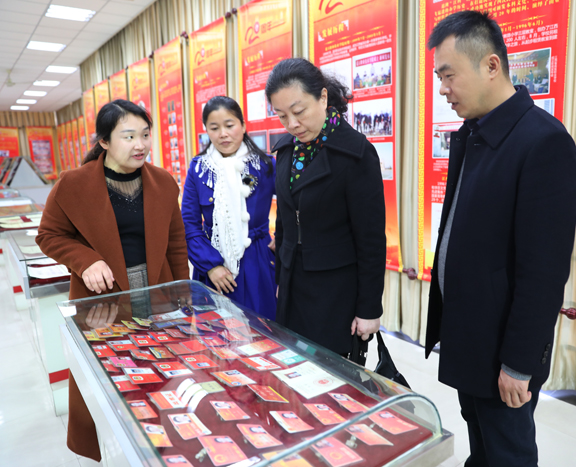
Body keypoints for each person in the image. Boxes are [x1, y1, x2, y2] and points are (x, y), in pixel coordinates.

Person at [424, 11, 576, 466]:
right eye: (438, 77)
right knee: (482, 445)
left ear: (491, 65)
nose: (443, 89)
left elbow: (544, 273)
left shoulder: (542, 142)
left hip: (501, 349)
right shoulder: (473, 133)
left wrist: (518, 362)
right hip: (469, 334)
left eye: (449, 75)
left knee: (507, 452)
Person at [36, 99, 189, 462]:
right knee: (111, 382)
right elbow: (49, 235)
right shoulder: (73, 184)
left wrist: (183, 294)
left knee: (159, 375)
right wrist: (85, 260)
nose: (141, 144)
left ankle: (159, 448)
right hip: (103, 302)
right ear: (104, 141)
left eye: (145, 135)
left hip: (156, 296)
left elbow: (175, 242)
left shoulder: (163, 182)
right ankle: (117, 451)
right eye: (129, 136)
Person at [264, 58, 386, 357]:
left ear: (322, 97)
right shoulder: (286, 150)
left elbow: (371, 239)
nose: (292, 124)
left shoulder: (355, 153)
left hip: (334, 290)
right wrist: (281, 280)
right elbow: (284, 223)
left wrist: (369, 309)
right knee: (291, 364)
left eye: (299, 112)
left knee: (329, 372)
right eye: (282, 116)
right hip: (292, 284)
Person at [181, 96, 277, 320]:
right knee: (216, 333)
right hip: (213, 268)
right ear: (207, 131)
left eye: (229, 125)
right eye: (214, 128)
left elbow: (293, 203)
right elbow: (189, 224)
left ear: (242, 126)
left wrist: (282, 233)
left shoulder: (265, 165)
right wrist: (211, 266)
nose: (223, 134)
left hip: (258, 262)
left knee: (262, 330)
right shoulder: (199, 169)